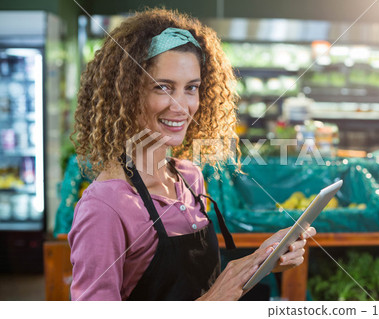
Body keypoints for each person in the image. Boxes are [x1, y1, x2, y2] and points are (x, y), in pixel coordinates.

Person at [69, 8, 316, 301]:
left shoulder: (189, 178)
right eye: (163, 87)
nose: (181, 106)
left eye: (191, 88)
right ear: (125, 92)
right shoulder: (105, 207)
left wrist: (259, 262)